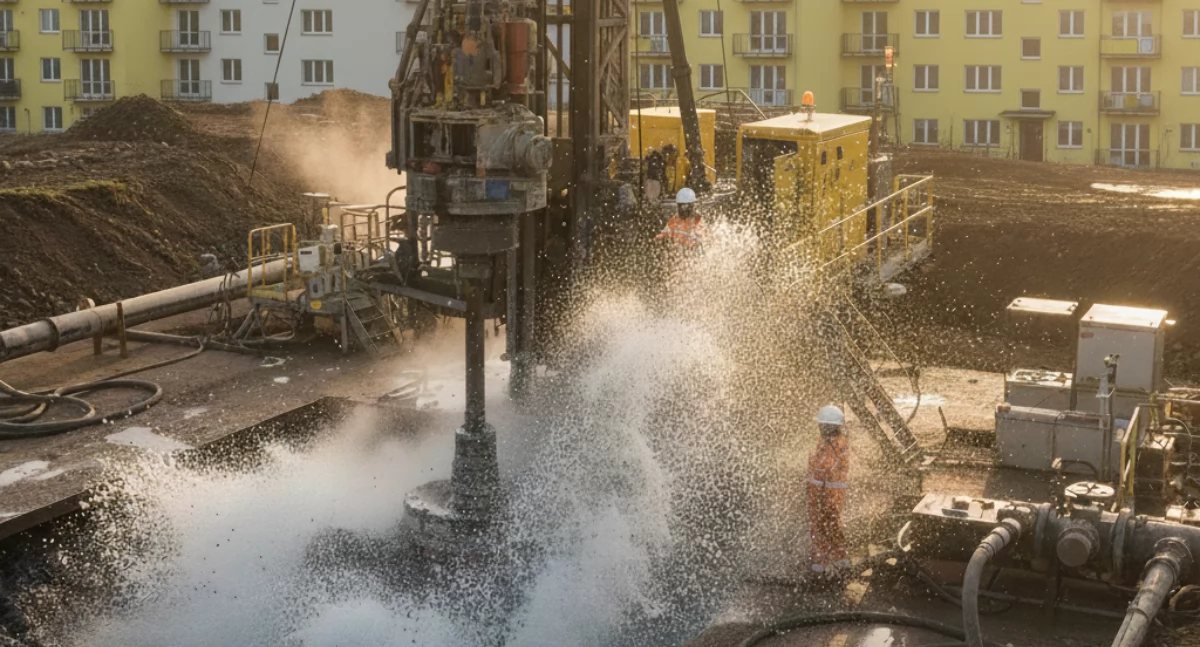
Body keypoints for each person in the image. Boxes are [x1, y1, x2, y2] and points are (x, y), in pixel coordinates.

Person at [807, 404, 851, 576]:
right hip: (833, 493)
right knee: (833, 525)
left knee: (820, 526)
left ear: (826, 427)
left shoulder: (830, 446)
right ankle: (840, 559)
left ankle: (820, 564)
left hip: (823, 493)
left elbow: (820, 469)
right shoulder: (839, 442)